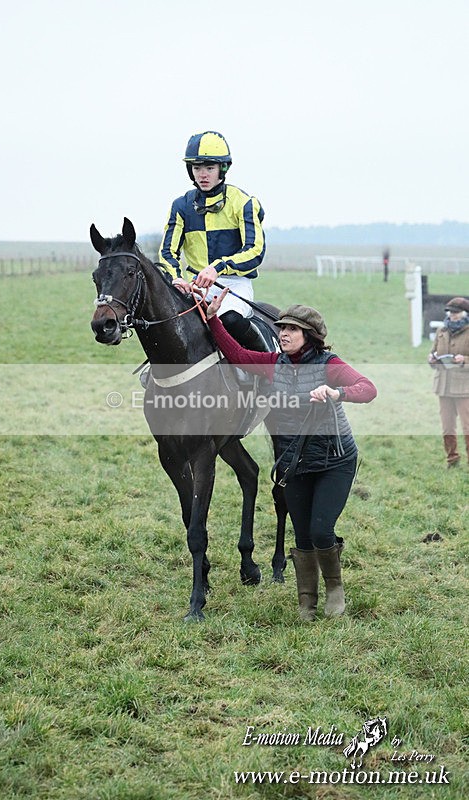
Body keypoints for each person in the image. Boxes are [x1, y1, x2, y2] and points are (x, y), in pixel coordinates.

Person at [205, 289, 377, 621]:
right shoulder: (273, 364)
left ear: (309, 336)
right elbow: (238, 354)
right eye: (281, 327)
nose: (282, 333)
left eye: (292, 329)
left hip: (334, 461)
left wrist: (335, 391)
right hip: (293, 463)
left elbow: (367, 388)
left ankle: (336, 594)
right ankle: (306, 603)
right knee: (301, 535)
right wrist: (213, 317)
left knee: (321, 531)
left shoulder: (329, 365)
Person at [159, 130, 268, 350]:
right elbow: (167, 253)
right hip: (194, 287)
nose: (203, 174)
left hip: (234, 286)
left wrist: (218, 268)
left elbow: (255, 250)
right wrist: (176, 279)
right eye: (197, 168)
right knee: (166, 325)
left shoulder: (244, 202)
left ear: (222, 168)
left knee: (230, 320)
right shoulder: (181, 206)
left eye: (209, 168)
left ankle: (268, 366)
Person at [428, 296, 469, 468]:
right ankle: (452, 459)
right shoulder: (441, 331)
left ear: (465, 313)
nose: (453, 315)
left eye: (456, 312)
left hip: (464, 388)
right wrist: (432, 359)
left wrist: (464, 360)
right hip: (443, 386)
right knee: (447, 428)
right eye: (450, 312)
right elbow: (433, 352)